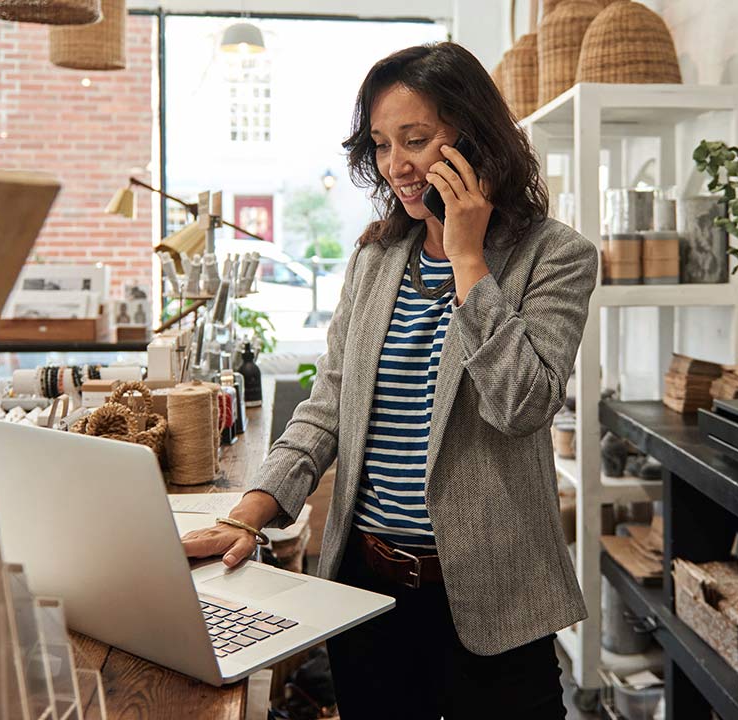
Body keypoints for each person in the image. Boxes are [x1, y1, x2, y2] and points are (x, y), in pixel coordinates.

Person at [182, 41, 597, 719]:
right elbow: (327, 409)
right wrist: (251, 514)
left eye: (416, 139)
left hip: (496, 602)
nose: (395, 165)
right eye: (380, 143)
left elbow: (523, 403)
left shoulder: (554, 256)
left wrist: (466, 257)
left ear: (473, 140)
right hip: (367, 592)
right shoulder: (375, 261)